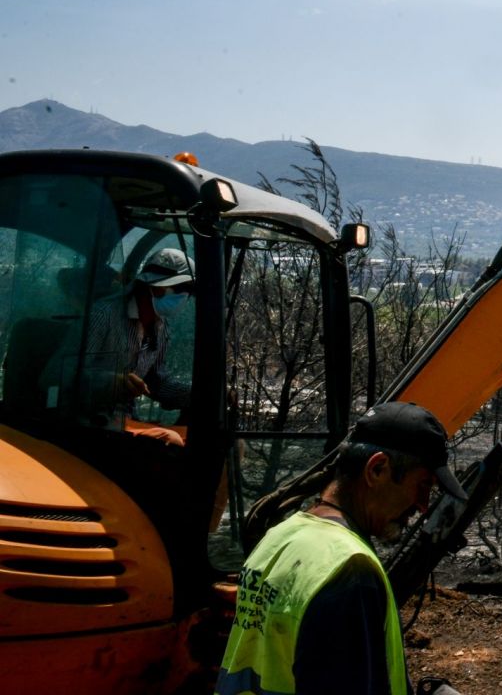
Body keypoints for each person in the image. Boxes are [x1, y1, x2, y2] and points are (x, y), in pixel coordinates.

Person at [215, 401, 470, 695]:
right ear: (377, 469)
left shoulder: (278, 538)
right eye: (422, 485)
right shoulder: (350, 571)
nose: (423, 505)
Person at [47, 246, 195, 441]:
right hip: (87, 422)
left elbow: (157, 383)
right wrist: (112, 382)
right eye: (181, 290)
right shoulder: (103, 315)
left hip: (125, 421)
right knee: (170, 439)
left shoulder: (161, 327)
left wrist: (203, 394)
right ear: (157, 288)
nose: (185, 297)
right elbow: (59, 375)